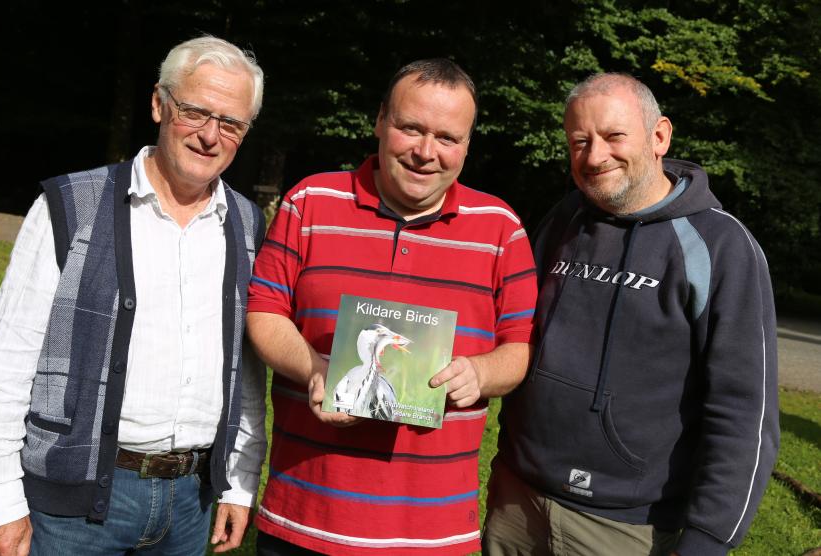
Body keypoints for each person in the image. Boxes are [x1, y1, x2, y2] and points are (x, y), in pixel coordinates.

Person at [0, 36, 268, 555]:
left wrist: (240, 479)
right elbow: (4, 366)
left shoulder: (248, 225)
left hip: (190, 503)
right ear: (159, 104)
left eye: (230, 123)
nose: (210, 135)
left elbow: (244, 368)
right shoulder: (69, 206)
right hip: (71, 509)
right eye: (195, 111)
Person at [246, 58, 538, 555]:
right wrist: (314, 368)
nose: (427, 152)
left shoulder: (501, 229)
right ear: (381, 121)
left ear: (467, 144)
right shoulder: (310, 201)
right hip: (307, 515)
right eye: (411, 129)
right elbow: (264, 311)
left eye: (448, 138)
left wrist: (480, 374)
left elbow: (519, 350)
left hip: (431, 531)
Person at [483, 72, 779, 556]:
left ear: (659, 136)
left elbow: (746, 411)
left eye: (613, 136)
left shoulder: (721, 247)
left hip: (626, 527)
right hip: (518, 500)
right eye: (579, 141)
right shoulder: (563, 220)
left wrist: (708, 540)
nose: (594, 156)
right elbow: (513, 329)